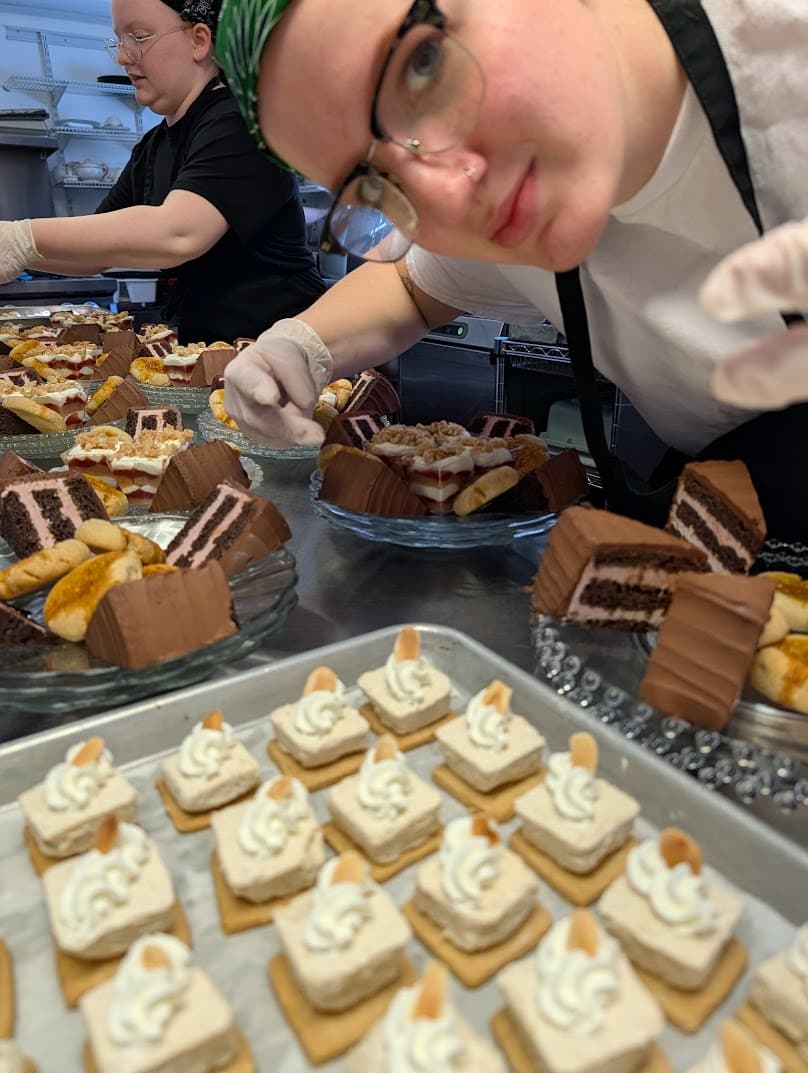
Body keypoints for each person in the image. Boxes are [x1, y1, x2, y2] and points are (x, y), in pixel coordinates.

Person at [215, 0, 808, 539]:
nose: (448, 200)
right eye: (375, 186)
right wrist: (297, 346)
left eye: (422, 65)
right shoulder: (510, 194)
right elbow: (411, 289)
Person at [0, 0, 324, 343]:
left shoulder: (240, 122)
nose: (123, 57)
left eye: (138, 37)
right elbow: (95, 253)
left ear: (199, 40)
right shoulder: (154, 145)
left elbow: (179, 232)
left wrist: (22, 238)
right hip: (213, 349)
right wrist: (17, 254)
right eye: (119, 41)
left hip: (281, 346)